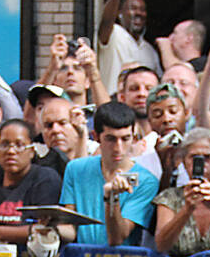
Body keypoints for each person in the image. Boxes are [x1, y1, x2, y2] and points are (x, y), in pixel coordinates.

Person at [59, 100, 158, 246]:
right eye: (111, 139)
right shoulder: (75, 169)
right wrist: (50, 228)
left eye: (125, 139)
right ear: (96, 136)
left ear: (133, 137)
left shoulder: (146, 181)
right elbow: (70, 228)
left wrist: (112, 199)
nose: (118, 147)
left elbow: (117, 238)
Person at [0, 117, 63, 250]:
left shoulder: (45, 179)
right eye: (5, 144)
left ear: (32, 150)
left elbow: (44, 228)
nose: (11, 151)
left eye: (19, 145)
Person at [153, 126, 210, 257]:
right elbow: (161, 245)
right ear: (184, 162)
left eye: (208, 157)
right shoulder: (169, 197)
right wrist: (186, 210)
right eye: (194, 157)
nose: (202, 164)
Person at [96, 0, 161, 93]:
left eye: (143, 10)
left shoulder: (149, 50)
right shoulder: (114, 33)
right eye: (133, 8)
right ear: (119, 13)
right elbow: (106, 21)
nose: (139, 13)